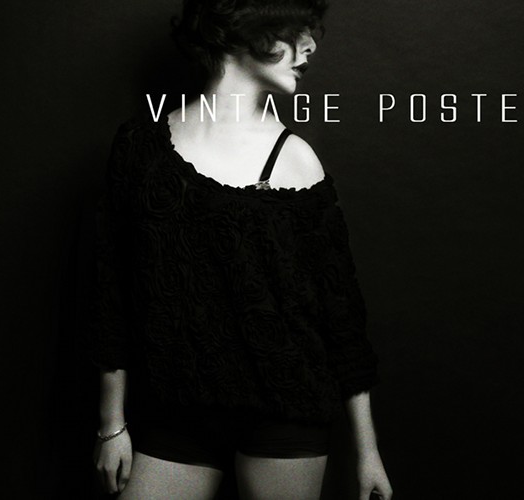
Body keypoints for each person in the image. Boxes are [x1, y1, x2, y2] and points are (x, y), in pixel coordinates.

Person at [87, 1, 392, 498]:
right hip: (175, 410)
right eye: (295, 30)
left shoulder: (298, 160)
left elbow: (341, 318)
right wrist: (111, 423)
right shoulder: (141, 148)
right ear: (245, 29)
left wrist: (367, 451)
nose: (310, 47)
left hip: (287, 411)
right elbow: (110, 291)